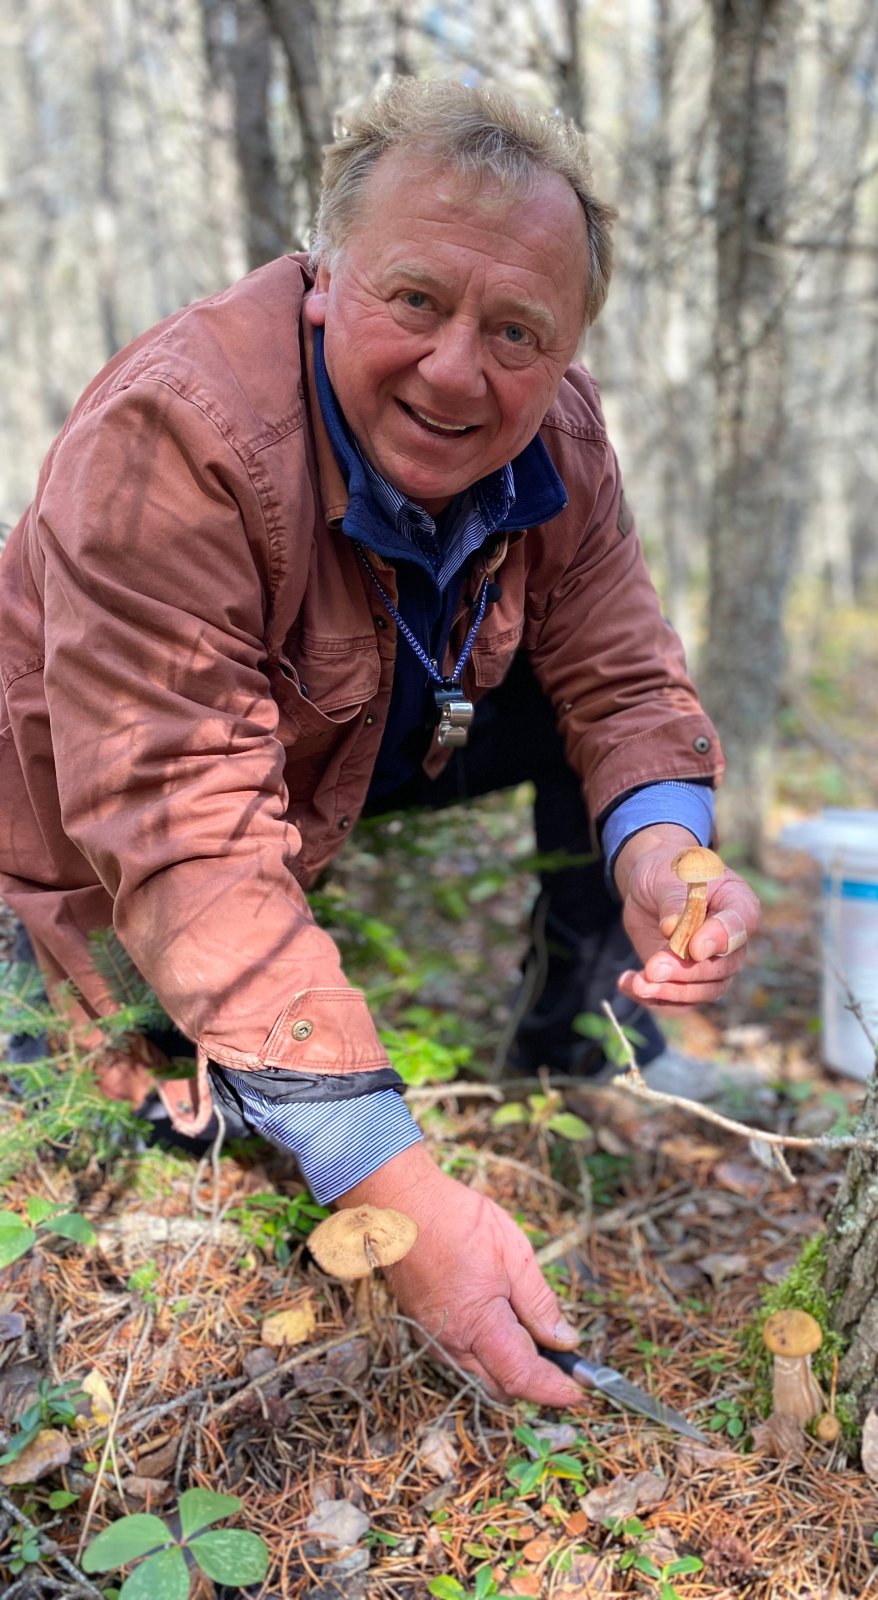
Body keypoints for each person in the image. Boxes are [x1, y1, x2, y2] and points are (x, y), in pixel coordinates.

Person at [0, 78, 759, 1407]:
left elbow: (626, 677)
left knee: (623, 759)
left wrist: (660, 850)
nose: (457, 369)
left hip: (336, 740)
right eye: (415, 299)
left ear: (569, 347)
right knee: (147, 1144)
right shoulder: (178, 435)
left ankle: (575, 1042)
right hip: (73, 823)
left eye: (517, 330)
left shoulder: (561, 437)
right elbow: (182, 822)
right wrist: (395, 1185)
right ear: (324, 280)